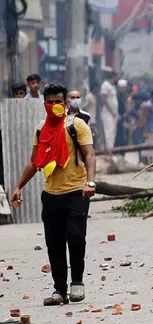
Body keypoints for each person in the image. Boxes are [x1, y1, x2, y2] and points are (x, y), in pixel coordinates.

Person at [10, 84, 96, 305]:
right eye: (50, 102)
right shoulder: (40, 128)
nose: (54, 105)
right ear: (44, 104)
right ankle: (60, 290)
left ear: (65, 104)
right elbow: (34, 161)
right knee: (54, 243)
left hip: (77, 192)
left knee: (76, 238)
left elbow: (90, 155)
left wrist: (91, 182)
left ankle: (77, 282)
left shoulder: (77, 125)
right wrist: (19, 186)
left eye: (59, 101)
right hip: (50, 195)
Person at [100, 72, 120, 150]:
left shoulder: (112, 86)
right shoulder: (105, 85)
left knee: (113, 131)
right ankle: (109, 149)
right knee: (109, 131)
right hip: (108, 113)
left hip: (114, 113)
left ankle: (111, 148)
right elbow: (104, 100)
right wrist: (111, 111)